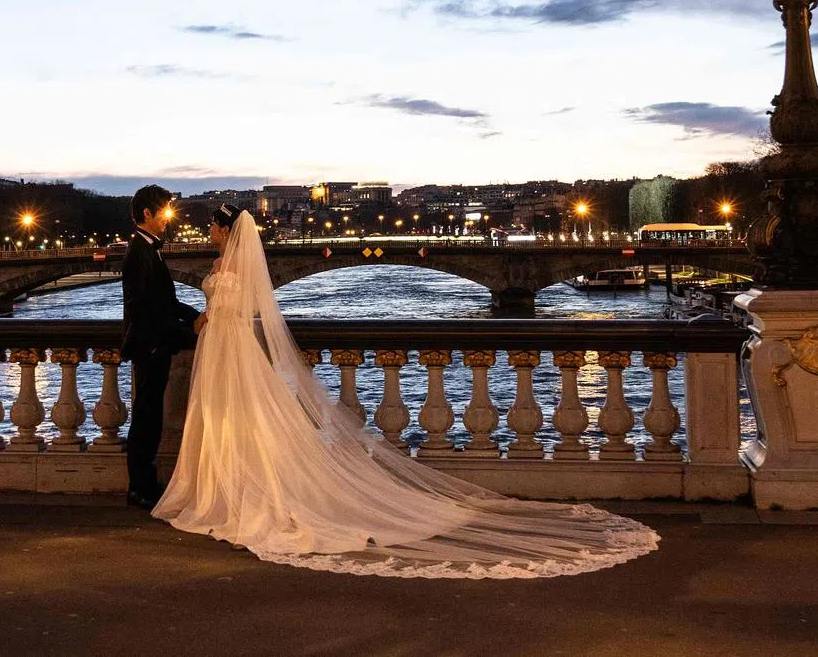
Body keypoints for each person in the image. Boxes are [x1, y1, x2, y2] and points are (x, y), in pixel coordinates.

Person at [153, 205, 661, 579]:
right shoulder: (234, 268)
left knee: (232, 416)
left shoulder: (226, 270)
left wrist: (205, 319)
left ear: (224, 231)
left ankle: (231, 491)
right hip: (227, 346)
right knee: (242, 418)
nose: (214, 234)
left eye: (216, 228)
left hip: (225, 345)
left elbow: (231, 311)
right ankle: (235, 487)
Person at [121, 185, 203, 508]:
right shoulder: (140, 253)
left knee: (151, 417)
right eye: (164, 211)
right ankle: (139, 487)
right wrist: (187, 332)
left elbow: (166, 301)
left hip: (153, 346)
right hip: (150, 348)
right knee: (145, 418)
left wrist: (195, 317)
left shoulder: (147, 250)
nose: (167, 218)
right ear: (147, 214)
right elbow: (145, 309)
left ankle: (144, 483)